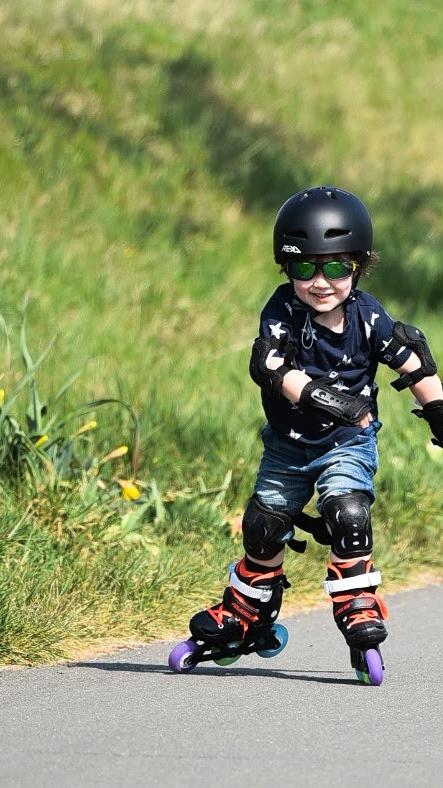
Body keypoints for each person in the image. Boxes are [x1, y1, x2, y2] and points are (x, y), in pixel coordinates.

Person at [189, 186, 443, 660]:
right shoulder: (282, 311)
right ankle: (248, 613)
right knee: (263, 527)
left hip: (348, 444)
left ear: (358, 267)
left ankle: (357, 602)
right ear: (287, 269)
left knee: (348, 512)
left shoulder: (368, 317)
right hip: (287, 447)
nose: (320, 282)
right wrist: (329, 400)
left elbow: (411, 361)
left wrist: (438, 410)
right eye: (305, 268)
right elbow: (270, 367)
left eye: (336, 267)